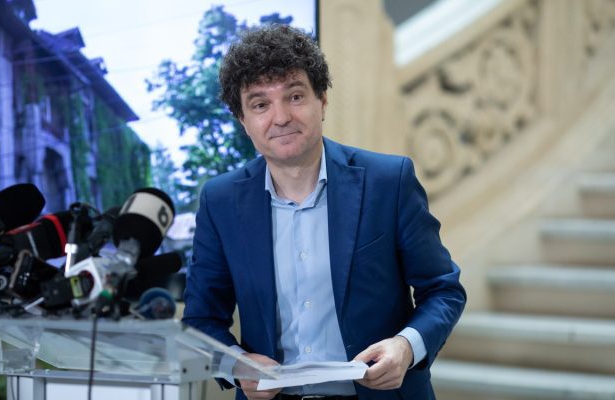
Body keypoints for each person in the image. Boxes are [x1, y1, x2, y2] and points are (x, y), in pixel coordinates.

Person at [183, 24, 466, 400]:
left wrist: (406, 346)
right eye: (260, 104)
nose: (281, 117)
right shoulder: (220, 201)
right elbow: (200, 320)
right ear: (243, 120)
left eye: (295, 96)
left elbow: (443, 290)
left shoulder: (389, 181)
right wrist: (235, 365)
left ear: (322, 101)